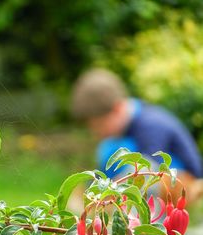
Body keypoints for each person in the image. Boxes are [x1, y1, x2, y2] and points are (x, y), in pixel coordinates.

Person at [71, 68, 203, 203]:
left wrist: (111, 193)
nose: (97, 133)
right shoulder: (126, 127)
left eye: (99, 126)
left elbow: (148, 174)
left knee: (138, 167)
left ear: (117, 109)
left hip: (185, 187)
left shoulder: (150, 126)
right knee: (109, 149)